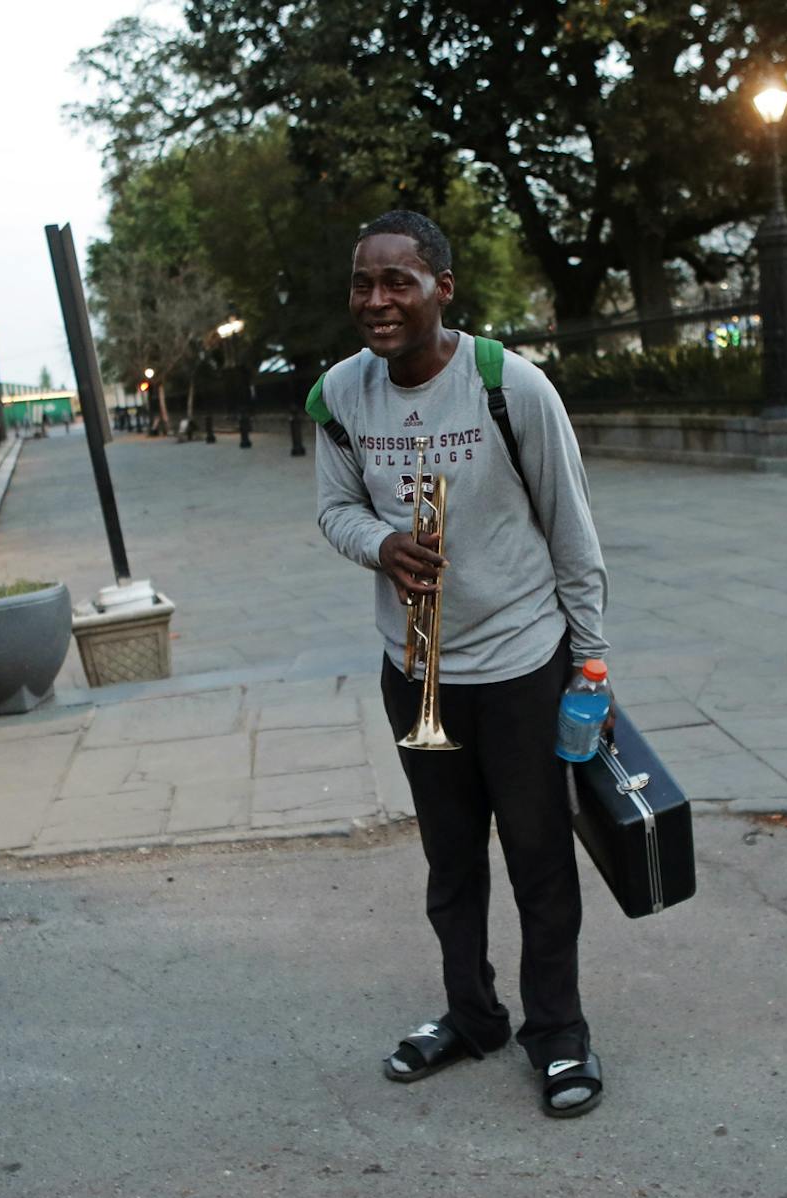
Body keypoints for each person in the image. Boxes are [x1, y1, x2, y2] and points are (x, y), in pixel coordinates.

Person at [312, 210, 612, 1118]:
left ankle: (558, 1037)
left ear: (445, 288)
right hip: (418, 672)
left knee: (539, 861)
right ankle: (472, 1016)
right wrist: (380, 544)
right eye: (364, 282)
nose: (377, 300)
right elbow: (333, 509)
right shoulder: (339, 395)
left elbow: (571, 525)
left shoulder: (508, 386)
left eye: (398, 281)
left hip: (521, 664)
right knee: (450, 864)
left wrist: (590, 662)